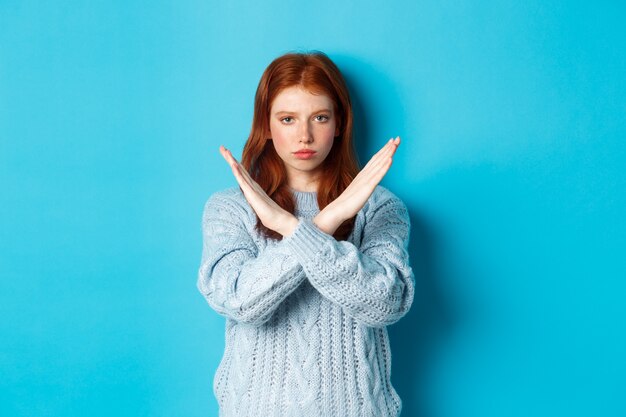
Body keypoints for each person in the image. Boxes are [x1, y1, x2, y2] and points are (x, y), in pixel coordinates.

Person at [197, 51, 415, 417]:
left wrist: (301, 227)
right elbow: (239, 303)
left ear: (339, 124)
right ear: (266, 125)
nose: (304, 135)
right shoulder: (229, 208)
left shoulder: (379, 207)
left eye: (319, 117)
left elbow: (386, 304)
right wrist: (320, 226)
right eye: (287, 119)